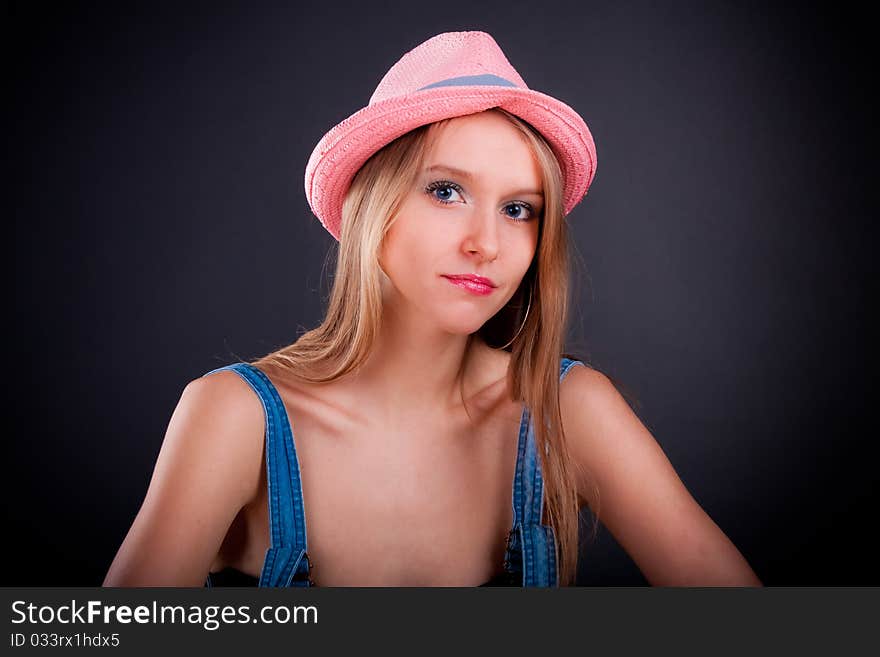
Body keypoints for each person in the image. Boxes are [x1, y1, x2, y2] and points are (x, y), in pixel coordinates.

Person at [104, 31, 761, 587]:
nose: (487, 243)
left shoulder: (567, 409)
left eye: (518, 209)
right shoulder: (235, 417)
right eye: (446, 190)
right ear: (373, 208)